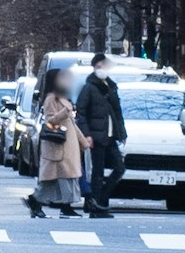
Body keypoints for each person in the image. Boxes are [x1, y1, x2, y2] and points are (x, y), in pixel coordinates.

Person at [74, 62, 127, 218]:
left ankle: (100, 198)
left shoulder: (111, 86)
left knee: (120, 167)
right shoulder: (89, 88)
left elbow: (117, 112)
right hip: (96, 136)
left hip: (110, 136)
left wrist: (122, 132)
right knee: (97, 173)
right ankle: (97, 207)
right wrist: (87, 134)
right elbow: (81, 112)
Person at [28, 67, 84, 218]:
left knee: (66, 178)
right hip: (57, 146)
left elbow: (72, 123)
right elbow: (50, 120)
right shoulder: (51, 98)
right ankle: (37, 202)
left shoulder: (63, 97)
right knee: (53, 179)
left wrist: (83, 141)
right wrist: (65, 111)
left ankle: (65, 206)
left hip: (66, 146)